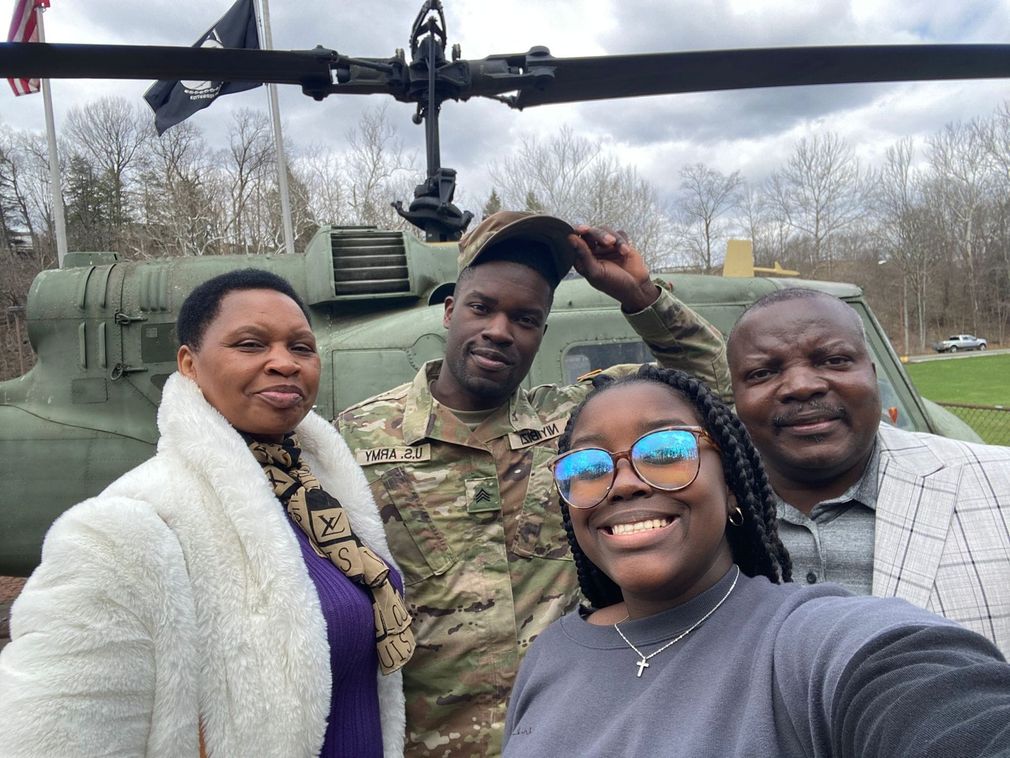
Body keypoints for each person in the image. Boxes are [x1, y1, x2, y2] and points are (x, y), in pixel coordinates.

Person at [336, 210, 731, 756]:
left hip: (579, 735)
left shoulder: (577, 420)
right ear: (450, 312)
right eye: (482, 308)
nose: (499, 331)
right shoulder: (355, 438)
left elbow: (721, 391)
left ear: (541, 333)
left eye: (525, 318)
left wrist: (641, 295)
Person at [0, 270, 412, 757]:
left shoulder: (322, 501)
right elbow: (47, 739)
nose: (284, 363)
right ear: (189, 364)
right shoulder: (126, 527)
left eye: (301, 348)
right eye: (250, 344)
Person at [504, 365, 1010, 757]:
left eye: (665, 451)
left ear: (730, 487)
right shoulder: (550, 656)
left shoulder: (806, 642)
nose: (627, 482)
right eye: (589, 466)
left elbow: (938, 701)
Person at [726, 288, 1010, 656]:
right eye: (763, 372)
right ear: (735, 397)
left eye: (833, 360)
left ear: (873, 375)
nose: (802, 386)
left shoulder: (999, 485)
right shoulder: (697, 515)